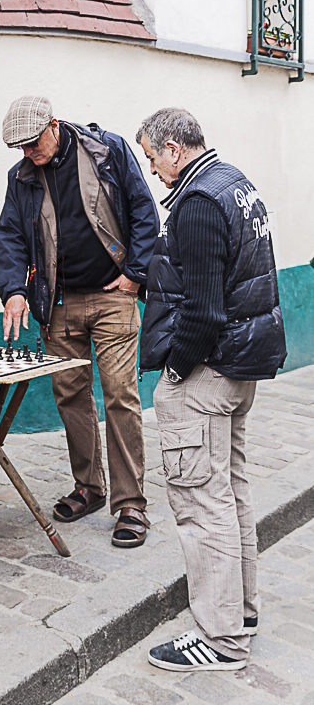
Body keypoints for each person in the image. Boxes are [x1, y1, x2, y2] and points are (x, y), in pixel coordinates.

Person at [136, 108, 286, 670]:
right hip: (238, 368)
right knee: (231, 494)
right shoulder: (235, 183)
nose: (151, 168)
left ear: (175, 148)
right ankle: (240, 613)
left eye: (152, 156)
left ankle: (220, 638)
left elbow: (202, 309)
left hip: (207, 373)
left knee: (202, 504)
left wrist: (175, 369)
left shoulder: (198, 201)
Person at [0, 95, 159, 547]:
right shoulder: (22, 176)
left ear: (53, 125)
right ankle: (89, 486)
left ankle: (130, 504)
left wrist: (134, 275)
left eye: (32, 143)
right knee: (69, 393)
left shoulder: (107, 150)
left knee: (120, 395)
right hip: (59, 301)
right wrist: (13, 290)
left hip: (114, 295)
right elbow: (10, 233)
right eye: (20, 149)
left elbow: (144, 211)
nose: (28, 153)